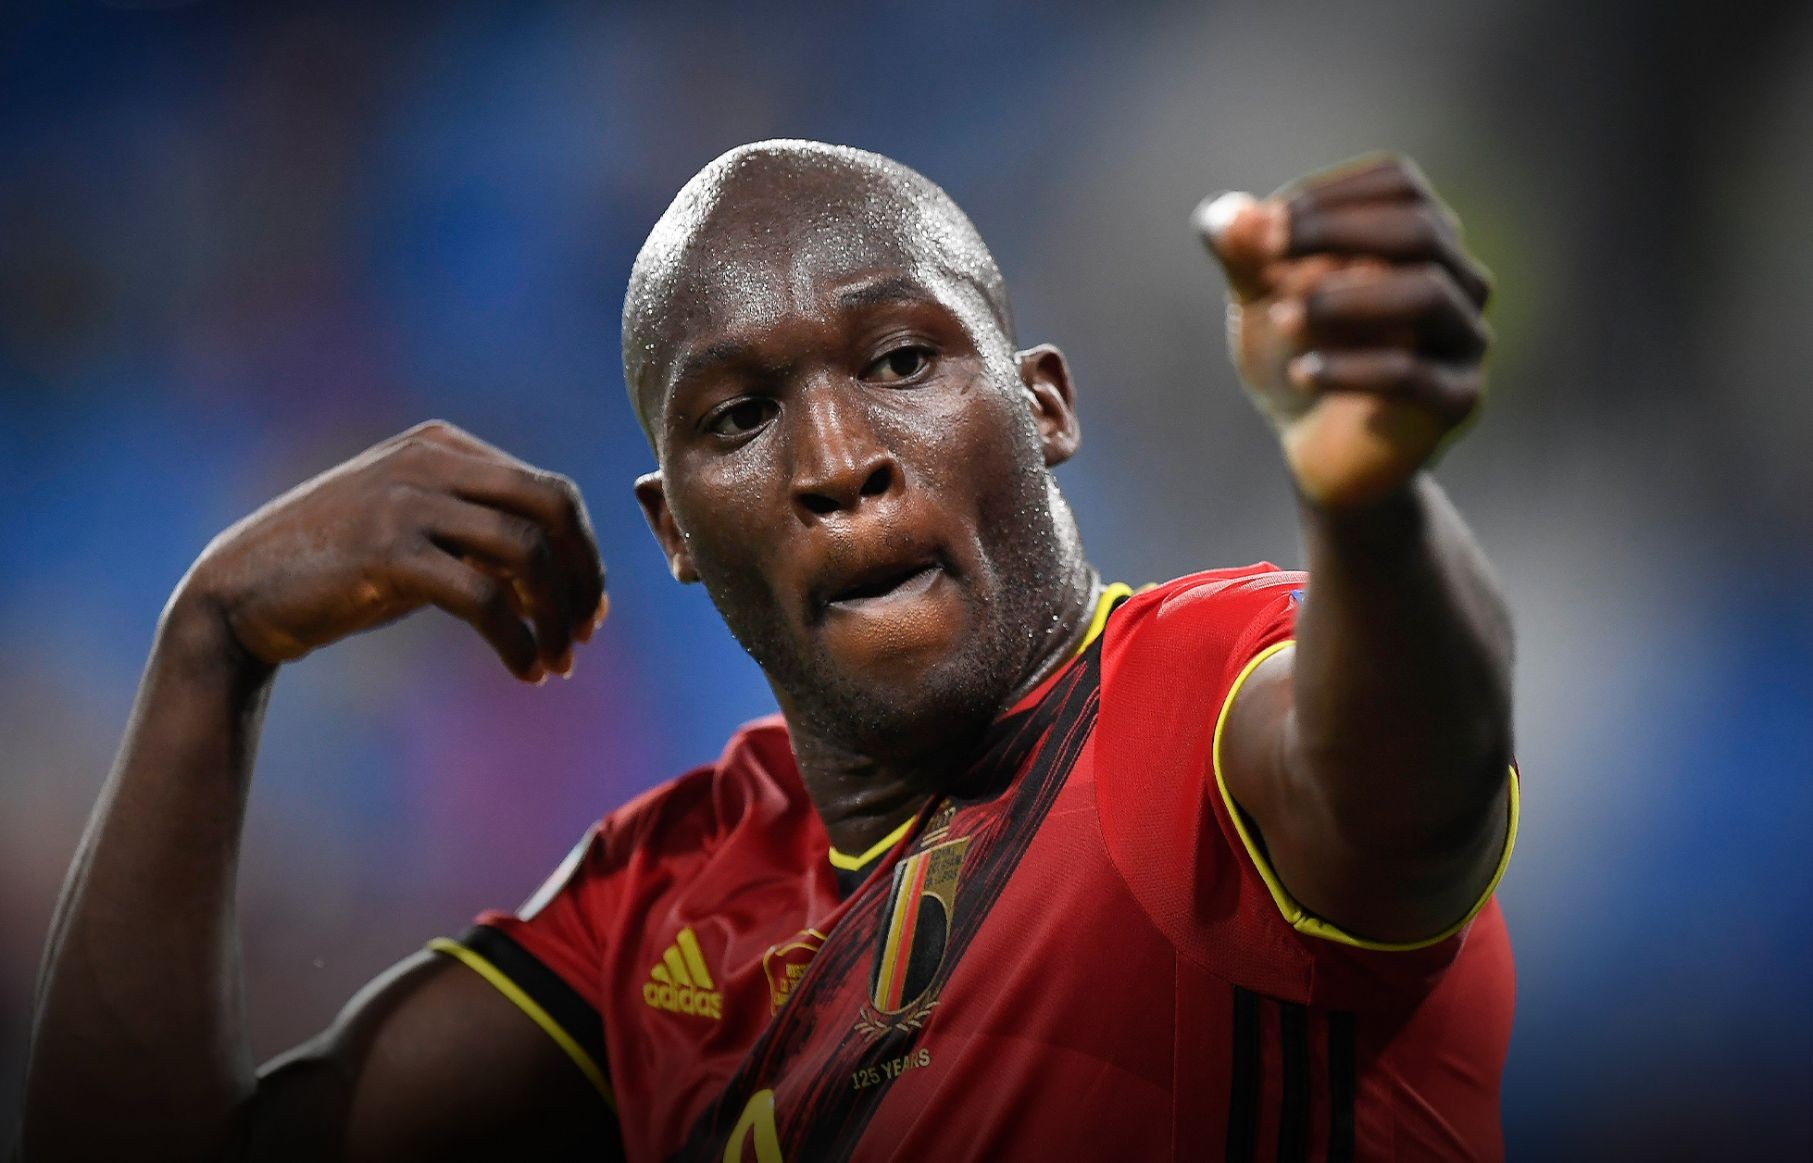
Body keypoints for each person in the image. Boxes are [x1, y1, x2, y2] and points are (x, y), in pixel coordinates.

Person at [21, 141, 1517, 1162]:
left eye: (902, 360)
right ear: (673, 530)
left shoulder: (1202, 697)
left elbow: (1406, 783)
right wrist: (210, 647)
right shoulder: (656, 907)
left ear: (1045, 406)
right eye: (739, 416)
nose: (838, 460)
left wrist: (1372, 505)